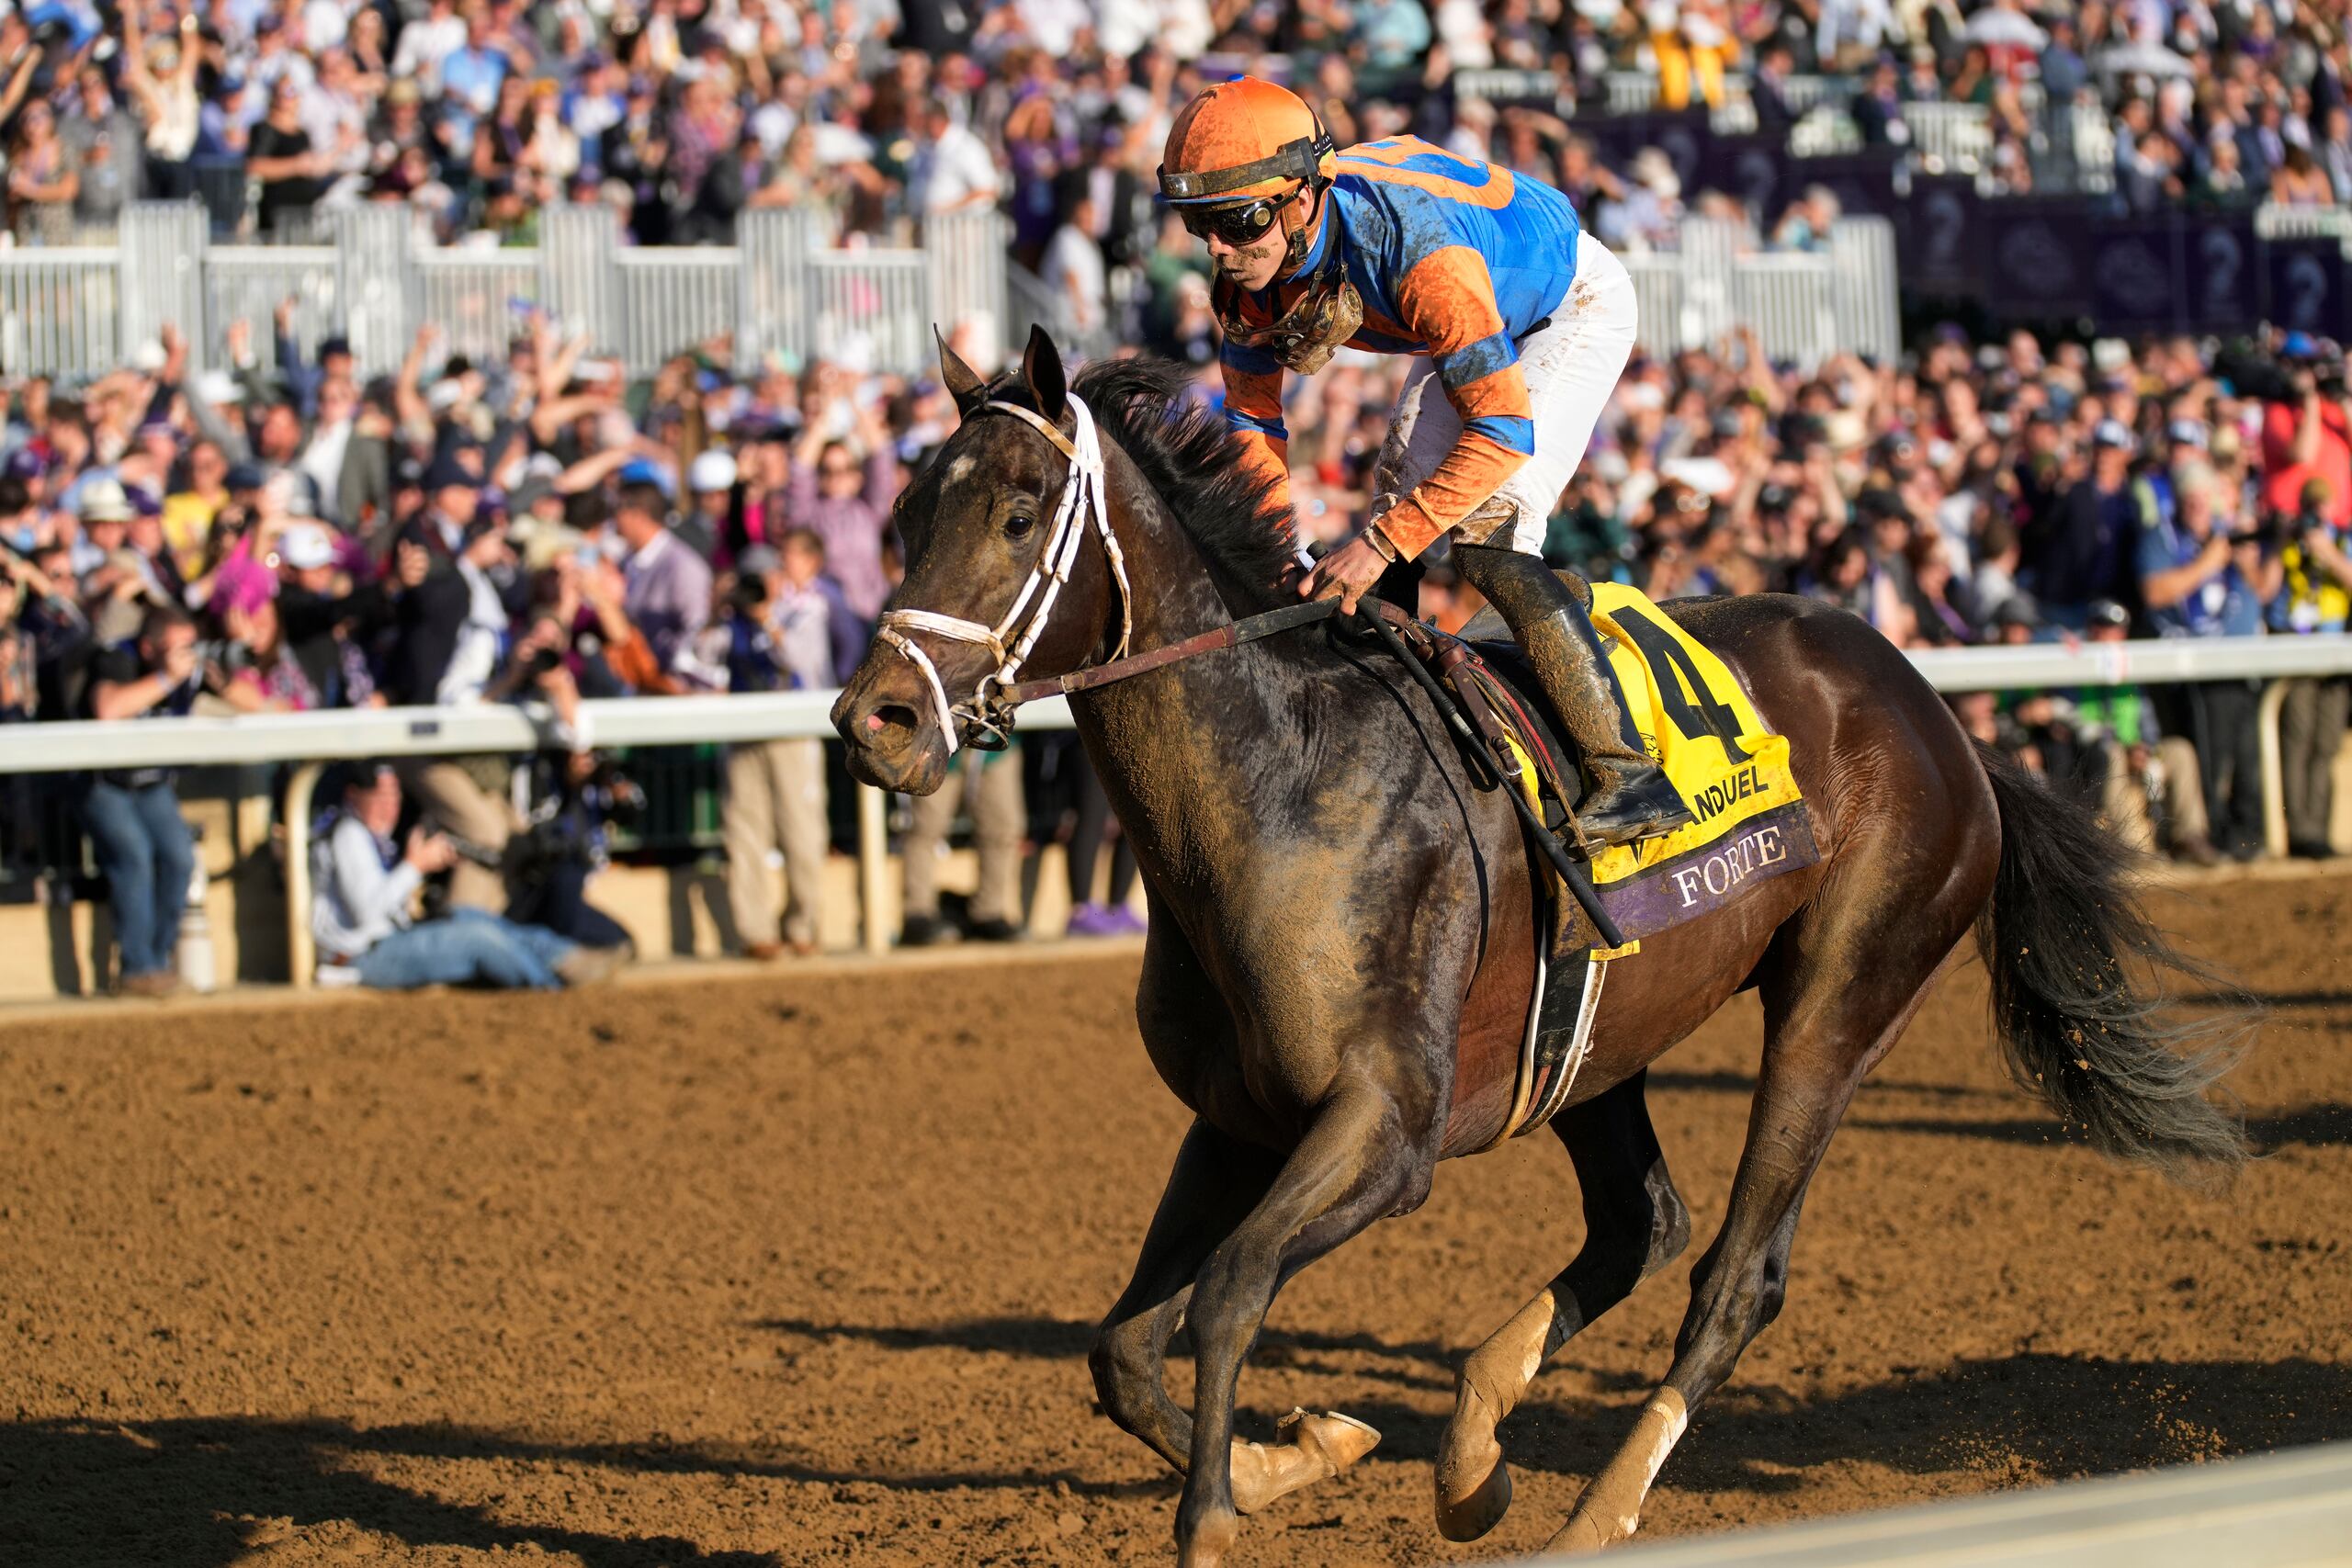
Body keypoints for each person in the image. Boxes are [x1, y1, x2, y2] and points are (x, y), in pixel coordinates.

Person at [1164, 77, 1690, 847]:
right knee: (1396, 500)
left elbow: (1504, 431)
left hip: (1564, 304)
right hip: (1475, 303)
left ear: (1304, 199)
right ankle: (1393, 739)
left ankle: (1628, 772)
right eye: (1198, 224)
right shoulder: (1249, 271)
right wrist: (1273, 546)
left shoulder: (1420, 256)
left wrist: (1377, 548)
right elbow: (1253, 422)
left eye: (1238, 223)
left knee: (1486, 525)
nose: (1218, 249)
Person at [311, 762, 619, 990]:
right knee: (476, 939)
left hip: (390, 939)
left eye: (394, 796)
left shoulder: (371, 835)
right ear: (354, 796)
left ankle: (567, 957)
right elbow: (368, 912)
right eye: (379, 797)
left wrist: (425, 867)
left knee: (473, 917)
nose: (389, 807)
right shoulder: (349, 834)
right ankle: (549, 983)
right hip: (361, 957)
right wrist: (415, 865)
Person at [714, 542, 831, 959]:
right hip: (743, 732)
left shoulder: (806, 611)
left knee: (802, 834)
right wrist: (718, 608)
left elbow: (803, 663)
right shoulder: (728, 622)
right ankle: (755, 932)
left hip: (793, 732)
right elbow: (699, 659)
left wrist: (766, 619)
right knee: (744, 835)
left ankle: (804, 925)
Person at [82, 603, 201, 997]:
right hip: (104, 783)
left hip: (152, 785)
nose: (187, 656)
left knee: (180, 856)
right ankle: (137, 969)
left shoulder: (191, 665)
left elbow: (244, 696)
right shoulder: (117, 657)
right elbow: (108, 708)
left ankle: (157, 962)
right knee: (133, 854)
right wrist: (168, 678)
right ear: (150, 647)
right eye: (176, 648)